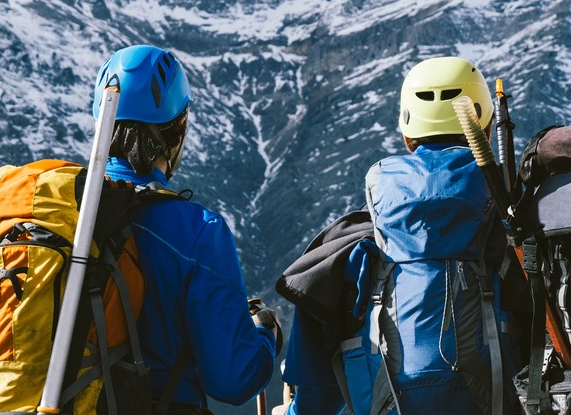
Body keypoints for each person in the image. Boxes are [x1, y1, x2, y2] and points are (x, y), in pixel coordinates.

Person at [278, 56, 524, 414]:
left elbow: (315, 400)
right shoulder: (519, 233)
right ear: (484, 129)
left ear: (408, 135)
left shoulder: (351, 249)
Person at [97, 44, 280, 413]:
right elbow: (234, 380)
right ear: (177, 129)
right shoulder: (198, 232)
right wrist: (265, 332)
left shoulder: (66, 214)